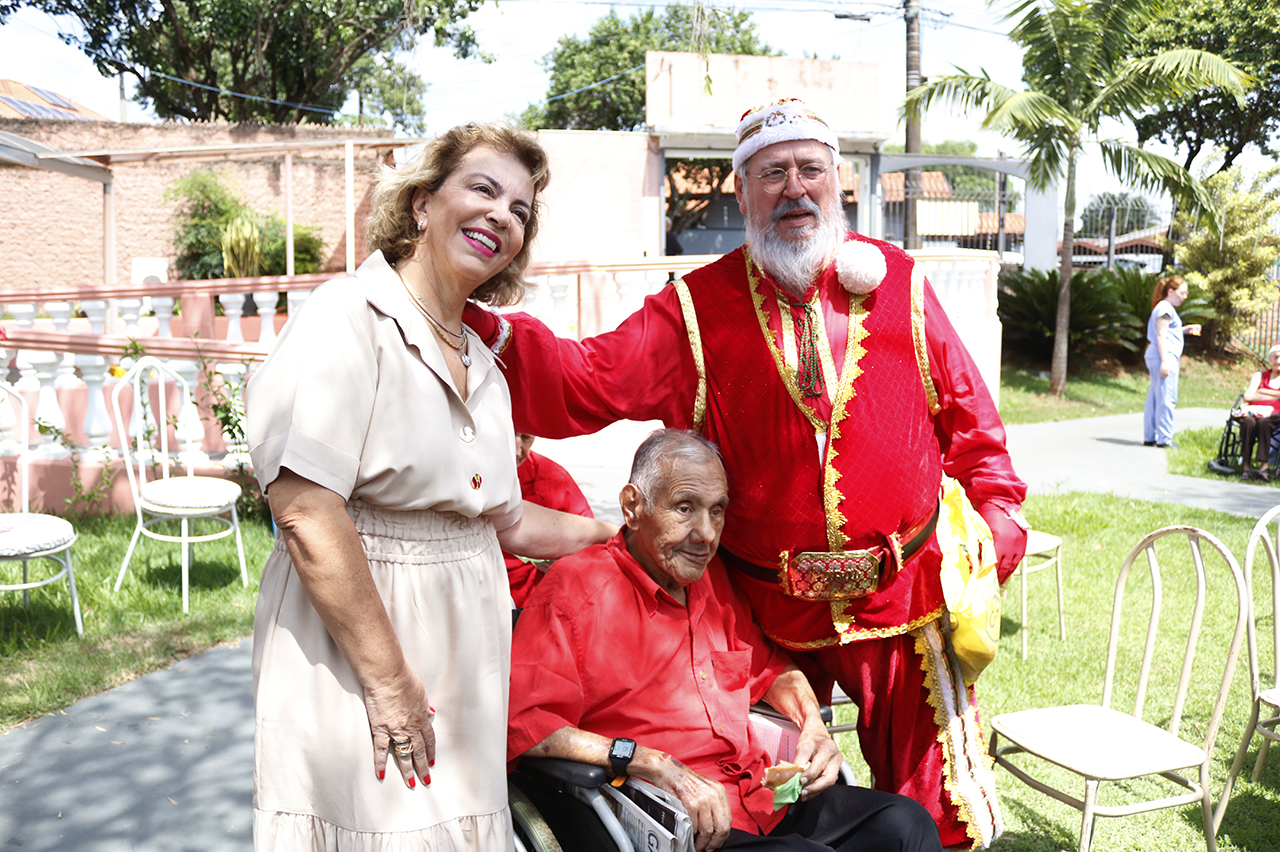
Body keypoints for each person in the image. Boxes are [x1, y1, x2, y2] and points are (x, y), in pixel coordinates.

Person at [465, 98, 1027, 848]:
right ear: (742, 190)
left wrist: (993, 536)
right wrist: (467, 316)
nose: (794, 188)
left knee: (935, 806)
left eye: (810, 170)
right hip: (768, 610)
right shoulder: (697, 310)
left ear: (840, 183)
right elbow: (587, 377)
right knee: (787, 775)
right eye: (771, 173)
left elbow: (976, 433)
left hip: (906, 597)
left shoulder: (900, 282)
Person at [245, 122, 615, 851]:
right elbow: (306, 509)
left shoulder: (481, 357)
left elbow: (502, 521)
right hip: (362, 641)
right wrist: (389, 684)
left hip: (465, 649)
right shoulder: (348, 320)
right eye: (482, 189)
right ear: (420, 202)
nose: (501, 216)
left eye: (520, 210)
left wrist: (615, 536)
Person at [509, 429, 943, 852]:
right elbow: (524, 727)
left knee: (904, 825)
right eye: (685, 508)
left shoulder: (711, 578)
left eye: (717, 511)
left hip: (765, 794)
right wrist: (654, 763)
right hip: (672, 820)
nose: (706, 534)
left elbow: (769, 670)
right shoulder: (577, 591)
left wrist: (813, 726)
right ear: (632, 506)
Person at [505, 432, 595, 606]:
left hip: (534, 605)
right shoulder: (455, 479)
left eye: (526, 437)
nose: (517, 451)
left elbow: (590, 550)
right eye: (508, 433)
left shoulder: (552, 479)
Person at [1143, 275, 1202, 448]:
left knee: (1155, 397)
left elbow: (1167, 332)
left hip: (1157, 355)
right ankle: (1164, 439)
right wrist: (1165, 360)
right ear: (1171, 291)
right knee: (1166, 398)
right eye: (1182, 293)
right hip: (1163, 356)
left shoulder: (1164, 308)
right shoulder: (1165, 309)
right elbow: (1161, 335)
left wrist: (1185, 330)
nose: (1185, 297)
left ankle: (1150, 436)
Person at [1238, 343, 1280, 480]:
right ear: (1270, 359)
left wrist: (1261, 391)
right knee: (1248, 422)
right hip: (1253, 412)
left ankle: (1264, 467)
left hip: (1275, 415)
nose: (1278, 361)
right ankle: (1246, 466)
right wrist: (1274, 395)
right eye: (1276, 357)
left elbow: (1254, 394)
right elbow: (1248, 397)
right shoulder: (1259, 376)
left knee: (1264, 423)